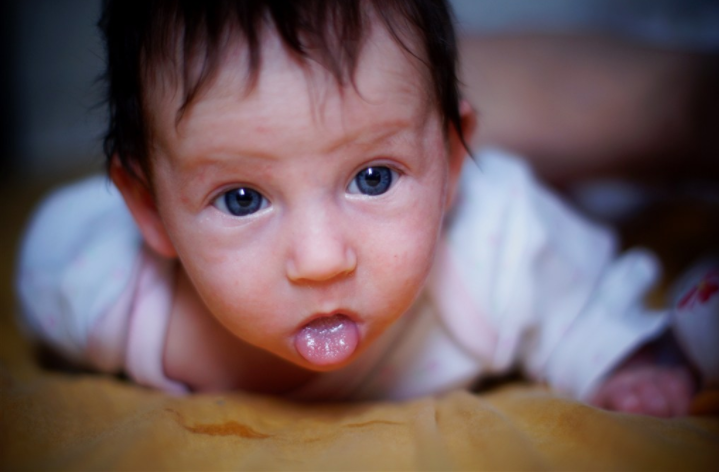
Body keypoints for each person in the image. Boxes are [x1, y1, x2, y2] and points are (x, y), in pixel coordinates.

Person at [16, 0, 717, 416]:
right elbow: (45, 264)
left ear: (448, 164)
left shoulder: (494, 245)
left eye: (374, 178)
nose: (321, 260)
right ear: (151, 214)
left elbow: (577, 301)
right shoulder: (105, 291)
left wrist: (618, 363)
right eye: (241, 198)